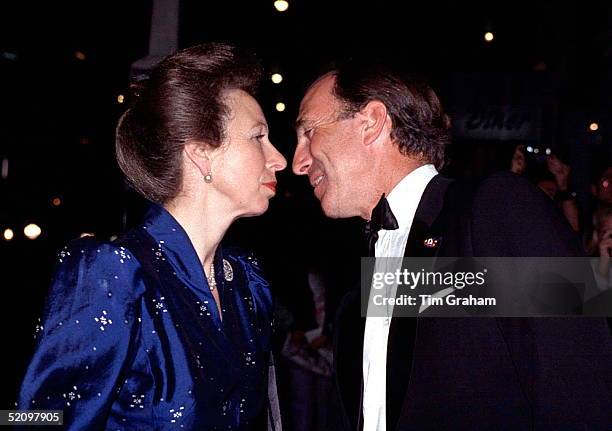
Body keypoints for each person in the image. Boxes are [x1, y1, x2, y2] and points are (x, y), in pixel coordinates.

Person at [292, 63, 612, 430]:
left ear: (371, 122)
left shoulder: (494, 208)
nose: (298, 162)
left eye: (309, 132)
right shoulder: (357, 292)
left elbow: (581, 383)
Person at [18, 43, 286, 430]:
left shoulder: (246, 282)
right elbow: (35, 419)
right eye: (258, 137)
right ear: (201, 154)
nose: (278, 158)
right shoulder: (115, 273)